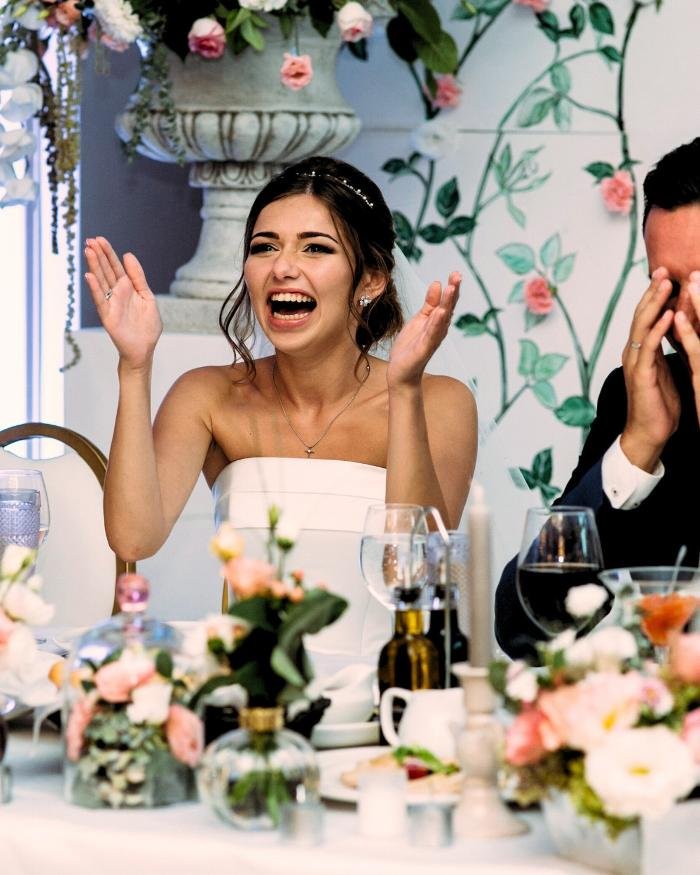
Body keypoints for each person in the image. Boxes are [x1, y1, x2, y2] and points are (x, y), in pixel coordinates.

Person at [85, 155, 477, 660]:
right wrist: (134, 367)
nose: (282, 267)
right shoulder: (207, 396)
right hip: (256, 689)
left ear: (371, 280)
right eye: (264, 247)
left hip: (394, 682)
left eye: (316, 248)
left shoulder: (439, 401)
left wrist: (404, 390)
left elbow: (412, 576)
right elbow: (133, 539)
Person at [495, 137, 700, 660]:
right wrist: (636, 449)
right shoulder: (643, 397)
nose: (686, 313)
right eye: (669, 287)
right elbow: (523, 629)